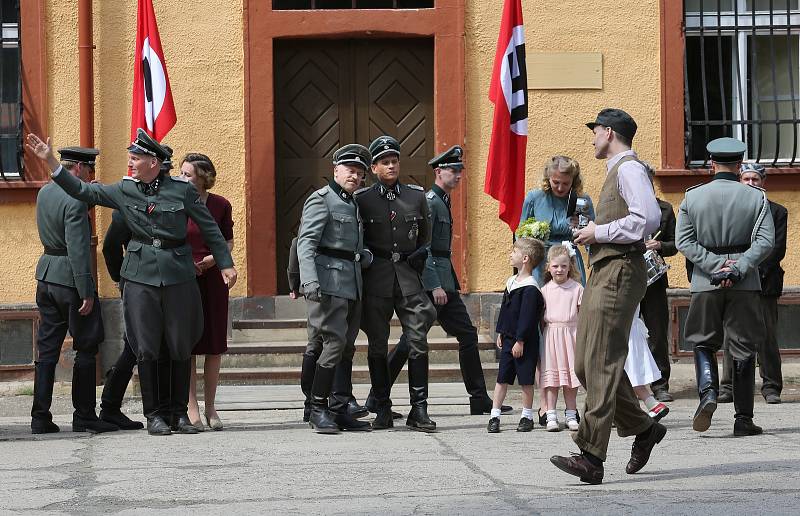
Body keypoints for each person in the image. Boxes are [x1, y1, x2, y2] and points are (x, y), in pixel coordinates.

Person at [26, 129, 238, 437]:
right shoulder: (125, 189)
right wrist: (51, 163)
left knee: (180, 343)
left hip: (178, 274)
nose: (130, 163)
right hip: (139, 276)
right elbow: (85, 192)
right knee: (147, 345)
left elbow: (209, 227)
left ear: (153, 162)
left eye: (135, 158)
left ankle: (178, 413)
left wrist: (226, 264)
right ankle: (155, 416)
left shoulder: (181, 190)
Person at [550, 108, 664, 485]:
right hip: (606, 269)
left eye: (596, 130)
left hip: (619, 270)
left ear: (610, 132)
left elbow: (647, 219)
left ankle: (591, 456)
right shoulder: (616, 170)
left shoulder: (629, 168)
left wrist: (599, 232)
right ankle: (644, 429)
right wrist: (594, 234)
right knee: (585, 363)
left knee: (601, 361)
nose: (593, 137)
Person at [364, 146, 510, 416]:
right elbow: (426, 247)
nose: (458, 175)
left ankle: (478, 397)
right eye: (452, 170)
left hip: (445, 279)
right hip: (433, 282)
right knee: (413, 340)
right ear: (438, 171)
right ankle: (377, 396)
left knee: (463, 334)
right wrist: (434, 285)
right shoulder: (430, 200)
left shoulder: (442, 199)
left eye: (460, 171)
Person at [677, 137, 774, 437]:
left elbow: (684, 242)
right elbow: (765, 242)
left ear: (711, 164)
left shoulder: (692, 197)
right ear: (739, 165)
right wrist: (739, 267)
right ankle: (743, 419)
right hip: (744, 284)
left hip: (706, 281)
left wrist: (713, 267)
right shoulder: (756, 197)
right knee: (744, 346)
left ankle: (708, 393)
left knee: (703, 341)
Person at [30, 146, 117, 434]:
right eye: (89, 171)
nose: (90, 178)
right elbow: (79, 248)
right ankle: (84, 415)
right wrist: (86, 291)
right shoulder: (76, 199)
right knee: (87, 346)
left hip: (46, 273)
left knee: (47, 349)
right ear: (79, 169)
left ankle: (40, 416)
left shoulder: (45, 192)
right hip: (70, 278)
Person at [355, 135, 437, 432]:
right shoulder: (362, 199)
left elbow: (425, 235)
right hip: (376, 278)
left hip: (408, 278)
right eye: (385, 162)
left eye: (394, 161)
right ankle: (383, 407)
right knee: (377, 345)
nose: (391, 166)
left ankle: (419, 409)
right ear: (374, 167)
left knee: (418, 341)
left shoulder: (416, 196)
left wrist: (419, 256)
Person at [298, 144, 374, 433]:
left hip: (352, 284)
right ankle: (318, 408)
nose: (354, 176)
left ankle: (339, 408)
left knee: (347, 347)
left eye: (359, 172)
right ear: (335, 170)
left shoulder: (351, 202)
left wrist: (363, 256)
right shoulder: (322, 200)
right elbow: (306, 244)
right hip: (327, 284)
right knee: (332, 344)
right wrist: (310, 282)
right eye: (349, 170)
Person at [98, 149, 174, 430]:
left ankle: (156, 408)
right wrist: (121, 279)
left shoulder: (171, 201)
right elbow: (109, 247)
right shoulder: (129, 204)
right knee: (136, 347)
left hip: (163, 283)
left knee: (154, 345)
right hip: (137, 283)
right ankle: (111, 406)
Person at [718, 163, 787, 405]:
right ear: (739, 181)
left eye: (755, 179)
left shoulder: (777, 211)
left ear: (763, 182)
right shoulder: (732, 210)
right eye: (746, 178)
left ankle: (771, 386)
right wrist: (735, 271)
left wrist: (749, 270)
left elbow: (776, 249)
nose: (750, 183)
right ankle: (727, 386)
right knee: (731, 334)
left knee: (766, 335)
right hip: (736, 280)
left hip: (765, 281)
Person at [179, 153, 234, 431]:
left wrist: (212, 261)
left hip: (212, 279)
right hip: (184, 279)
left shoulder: (221, 204)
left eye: (188, 174)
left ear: (203, 178)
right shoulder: (176, 203)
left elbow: (227, 242)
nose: (182, 178)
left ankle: (211, 407)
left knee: (213, 346)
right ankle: (192, 408)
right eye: (181, 173)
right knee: (188, 345)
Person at [486, 238, 545, 433]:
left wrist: (520, 340)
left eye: (514, 251)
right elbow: (506, 310)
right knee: (502, 378)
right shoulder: (511, 282)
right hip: (509, 337)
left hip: (524, 342)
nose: (510, 254)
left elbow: (527, 318)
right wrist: (501, 332)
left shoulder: (530, 288)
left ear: (525, 258)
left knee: (526, 379)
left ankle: (526, 416)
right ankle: (494, 415)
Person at [519, 156, 595, 285]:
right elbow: (521, 234)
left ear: (574, 181)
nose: (560, 188)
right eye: (556, 182)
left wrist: (583, 230)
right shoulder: (534, 198)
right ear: (548, 179)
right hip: (542, 263)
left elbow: (592, 236)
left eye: (566, 183)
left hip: (570, 261)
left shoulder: (582, 200)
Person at [639, 163, 678, 403]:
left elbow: (676, 244)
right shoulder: (625, 209)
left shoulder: (664, 209)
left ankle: (660, 384)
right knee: (627, 332)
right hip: (630, 277)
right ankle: (631, 384)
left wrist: (660, 246)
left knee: (657, 332)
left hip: (654, 279)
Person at [538, 244, 583, 432]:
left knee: (570, 378)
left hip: (571, 335)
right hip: (552, 337)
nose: (559, 270)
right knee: (552, 379)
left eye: (564, 266)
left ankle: (571, 414)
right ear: (549, 267)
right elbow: (540, 318)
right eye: (555, 266)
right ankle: (551, 415)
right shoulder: (545, 290)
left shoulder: (577, 288)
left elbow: (583, 314)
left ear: (570, 267)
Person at [626, 307, 669, 421]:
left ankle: (632, 413)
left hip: (624, 332)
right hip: (632, 331)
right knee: (632, 377)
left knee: (627, 376)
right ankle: (653, 405)